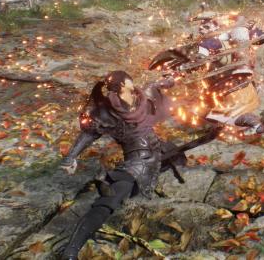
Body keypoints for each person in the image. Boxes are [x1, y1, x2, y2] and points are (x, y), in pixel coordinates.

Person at [59, 70, 176, 260]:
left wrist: (170, 78)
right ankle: (71, 250)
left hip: (158, 151)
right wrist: (71, 157)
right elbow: (88, 135)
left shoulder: (143, 96)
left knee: (176, 156)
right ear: (123, 84)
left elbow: (162, 83)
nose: (133, 82)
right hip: (135, 163)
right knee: (110, 200)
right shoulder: (106, 112)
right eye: (129, 80)